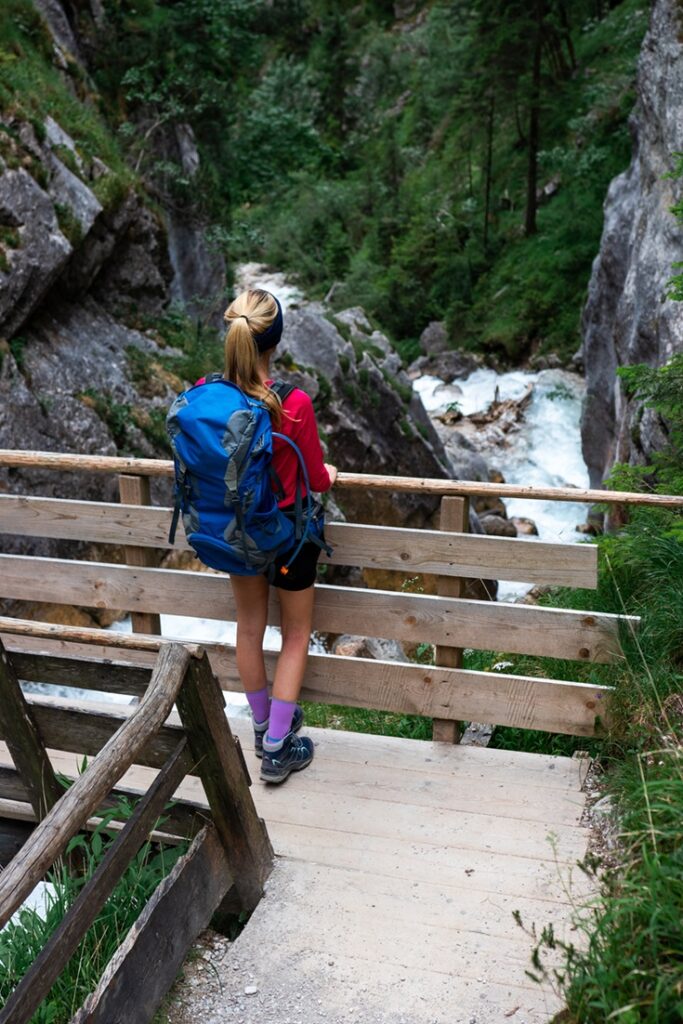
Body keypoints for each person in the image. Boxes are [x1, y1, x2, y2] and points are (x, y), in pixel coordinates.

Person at [219, 288, 337, 784]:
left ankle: (265, 726)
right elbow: (317, 476)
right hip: (290, 534)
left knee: (249, 628)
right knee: (294, 635)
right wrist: (329, 470)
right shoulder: (294, 403)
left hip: (238, 529)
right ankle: (276, 748)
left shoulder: (215, 395)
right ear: (277, 340)